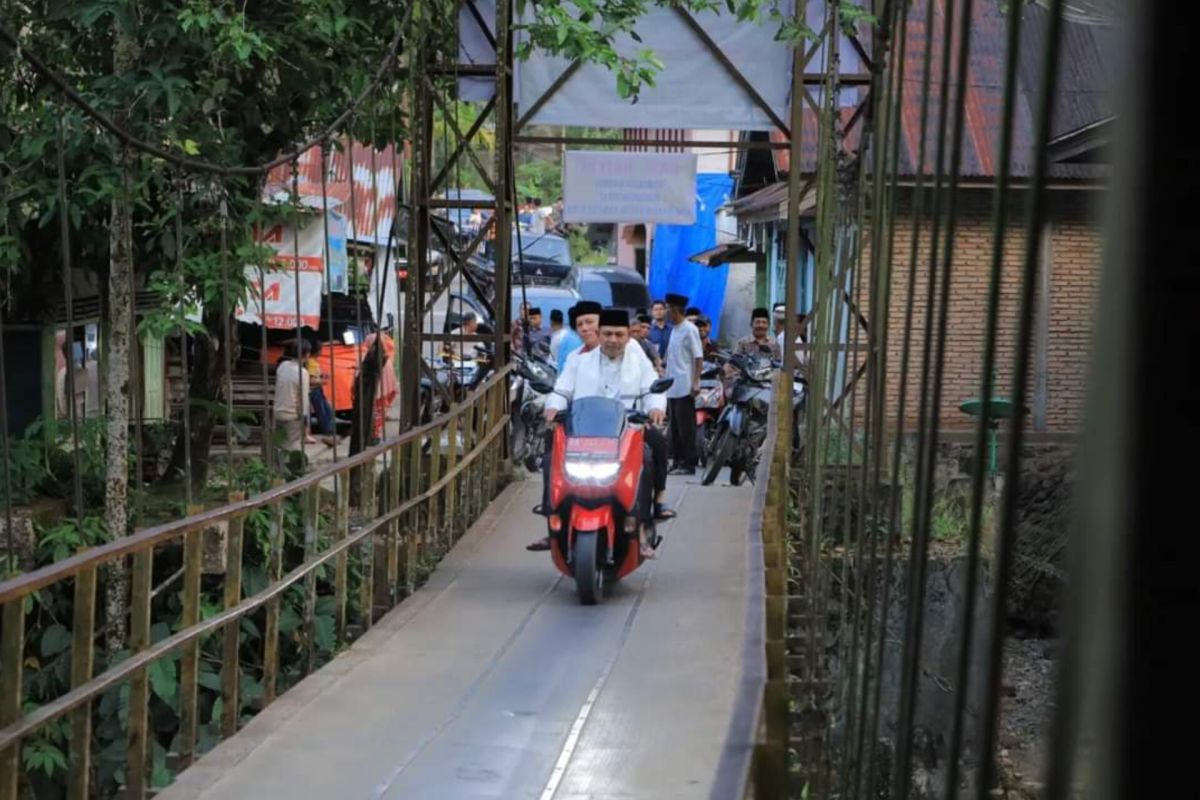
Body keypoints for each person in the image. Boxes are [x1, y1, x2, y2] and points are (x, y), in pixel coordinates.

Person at [531, 308, 673, 557]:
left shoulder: (637, 355)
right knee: (551, 455)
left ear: (629, 335)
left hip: (628, 429)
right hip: (585, 432)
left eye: (619, 334)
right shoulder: (579, 359)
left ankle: (650, 514)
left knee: (651, 453)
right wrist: (554, 406)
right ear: (600, 334)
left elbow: (652, 386)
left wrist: (655, 408)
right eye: (608, 334)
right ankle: (552, 518)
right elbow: (563, 387)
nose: (613, 340)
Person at [662, 293, 704, 475]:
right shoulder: (674, 329)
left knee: (686, 427)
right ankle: (677, 461)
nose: (665, 312)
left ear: (675, 310)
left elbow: (698, 357)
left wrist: (696, 382)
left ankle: (688, 463)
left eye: (667, 308)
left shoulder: (690, 329)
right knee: (675, 427)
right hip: (672, 386)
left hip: (685, 386)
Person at [274, 340, 311, 465]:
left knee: (280, 444)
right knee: (291, 446)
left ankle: (278, 469)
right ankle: (288, 473)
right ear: (306, 355)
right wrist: (304, 419)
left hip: (277, 411)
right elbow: (303, 400)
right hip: (292, 415)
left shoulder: (282, 366)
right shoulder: (303, 373)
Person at [305, 341, 338, 446]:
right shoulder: (310, 363)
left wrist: (321, 377)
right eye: (321, 349)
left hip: (316, 389)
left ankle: (329, 432)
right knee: (323, 411)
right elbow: (310, 380)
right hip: (313, 390)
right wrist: (322, 381)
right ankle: (328, 433)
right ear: (317, 351)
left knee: (326, 410)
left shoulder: (313, 361)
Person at [555, 300, 602, 373]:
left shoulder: (618, 354)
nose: (584, 328)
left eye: (589, 322)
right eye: (579, 324)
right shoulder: (573, 357)